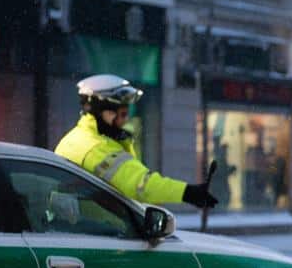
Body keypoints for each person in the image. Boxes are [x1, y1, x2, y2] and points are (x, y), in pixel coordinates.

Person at [56, 74, 217, 209]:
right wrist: (188, 193)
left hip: (83, 231)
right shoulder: (95, 147)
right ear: (101, 111)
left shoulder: (77, 138)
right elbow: (140, 185)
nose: (125, 121)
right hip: (97, 235)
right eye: (122, 114)